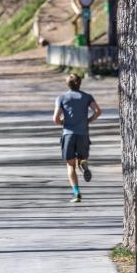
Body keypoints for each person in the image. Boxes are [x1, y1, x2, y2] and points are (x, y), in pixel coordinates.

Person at [53, 73, 102, 203]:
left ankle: (76, 193)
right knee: (81, 159)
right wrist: (88, 120)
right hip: (83, 134)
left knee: (70, 165)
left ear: (67, 84)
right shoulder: (87, 97)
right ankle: (84, 166)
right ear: (80, 83)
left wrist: (63, 122)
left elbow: (55, 119)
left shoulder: (62, 98)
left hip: (68, 134)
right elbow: (98, 111)